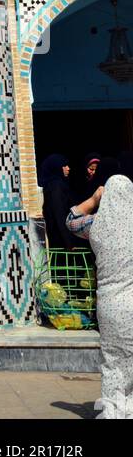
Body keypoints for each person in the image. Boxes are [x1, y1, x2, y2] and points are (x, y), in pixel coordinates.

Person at [86, 164, 133, 420]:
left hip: (109, 304)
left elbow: (71, 220)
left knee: (113, 359)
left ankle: (113, 410)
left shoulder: (95, 228)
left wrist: (94, 200)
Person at [39, 154, 83, 248]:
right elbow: (59, 214)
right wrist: (69, 242)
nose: (68, 168)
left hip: (61, 239)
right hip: (62, 241)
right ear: (56, 167)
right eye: (64, 166)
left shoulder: (57, 185)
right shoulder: (56, 187)